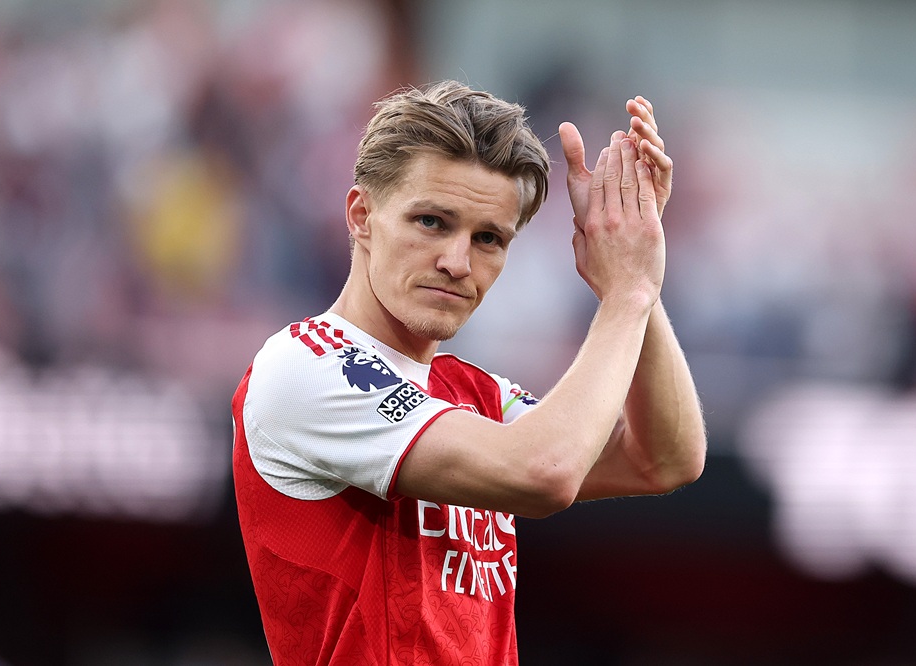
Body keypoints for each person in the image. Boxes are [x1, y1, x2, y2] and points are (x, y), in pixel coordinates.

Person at [231, 80, 706, 665]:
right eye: (431, 222)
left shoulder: (476, 394)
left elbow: (662, 459)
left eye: (487, 239)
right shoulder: (304, 364)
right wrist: (625, 294)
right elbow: (545, 472)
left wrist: (636, 272)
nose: (458, 263)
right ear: (361, 217)